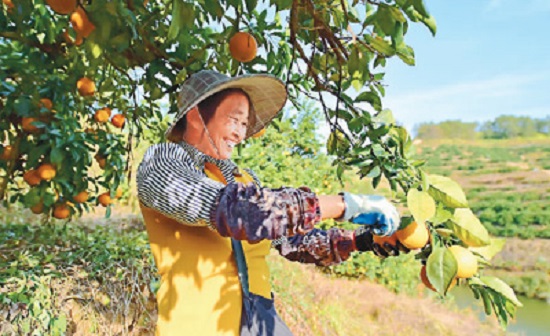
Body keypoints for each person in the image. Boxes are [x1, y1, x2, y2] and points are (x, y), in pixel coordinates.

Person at [136, 70, 404, 336]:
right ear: (195, 117)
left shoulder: (242, 179)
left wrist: (360, 241)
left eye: (244, 124)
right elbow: (241, 212)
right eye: (234, 120)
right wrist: (344, 205)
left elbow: (290, 241)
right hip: (199, 326)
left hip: (258, 322)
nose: (240, 134)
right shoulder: (163, 161)